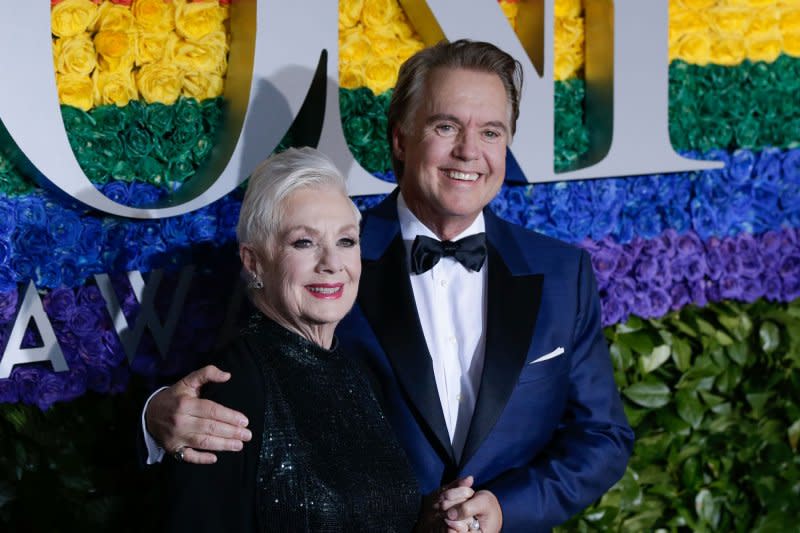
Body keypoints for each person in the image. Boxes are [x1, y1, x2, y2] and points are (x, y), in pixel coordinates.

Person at [145, 40, 634, 532]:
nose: (469, 150)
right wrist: (155, 416)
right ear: (400, 139)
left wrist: (507, 508)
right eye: (446, 126)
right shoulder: (328, 262)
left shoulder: (561, 272)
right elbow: (229, 379)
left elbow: (602, 435)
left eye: (490, 131)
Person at [161, 147, 424, 531]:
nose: (332, 263)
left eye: (346, 241)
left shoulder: (357, 370)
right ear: (254, 262)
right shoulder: (231, 389)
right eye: (304, 242)